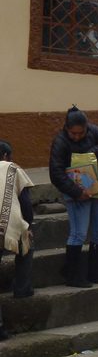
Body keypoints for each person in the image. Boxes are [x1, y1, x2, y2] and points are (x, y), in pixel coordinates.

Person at [49, 106, 98, 288]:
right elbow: (56, 173)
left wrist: (91, 154)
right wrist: (77, 192)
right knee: (78, 233)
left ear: (87, 127)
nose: (77, 136)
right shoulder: (60, 142)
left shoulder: (94, 132)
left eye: (81, 133)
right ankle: (73, 275)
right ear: (67, 129)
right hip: (77, 193)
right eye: (73, 133)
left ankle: (94, 272)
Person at [0, 141, 34, 341]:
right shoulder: (13, 169)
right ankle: (22, 288)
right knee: (27, 247)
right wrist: (28, 226)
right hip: (9, 225)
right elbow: (25, 202)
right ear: (5, 155)